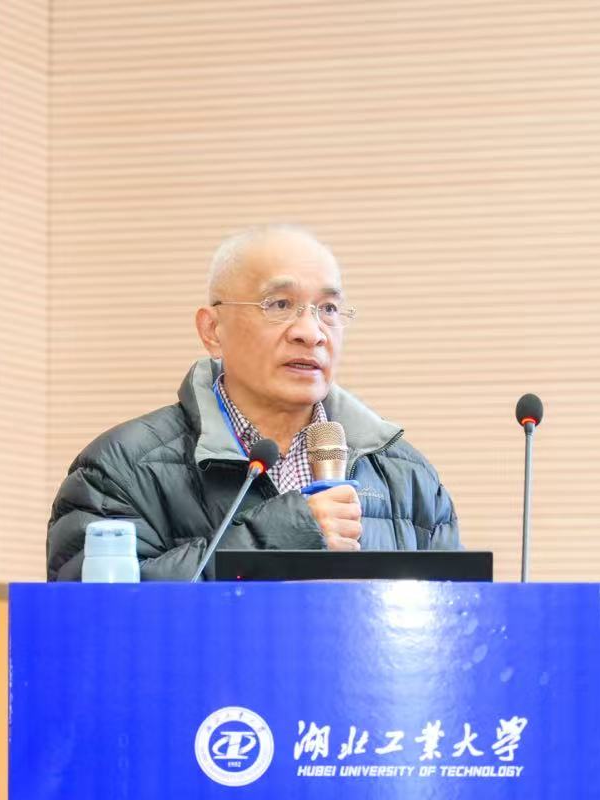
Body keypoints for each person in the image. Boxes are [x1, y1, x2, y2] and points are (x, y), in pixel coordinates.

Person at [46, 226, 460, 580]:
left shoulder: (408, 478)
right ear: (213, 330)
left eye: (329, 309)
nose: (311, 332)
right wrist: (282, 537)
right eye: (279, 305)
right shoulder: (119, 471)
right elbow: (97, 625)